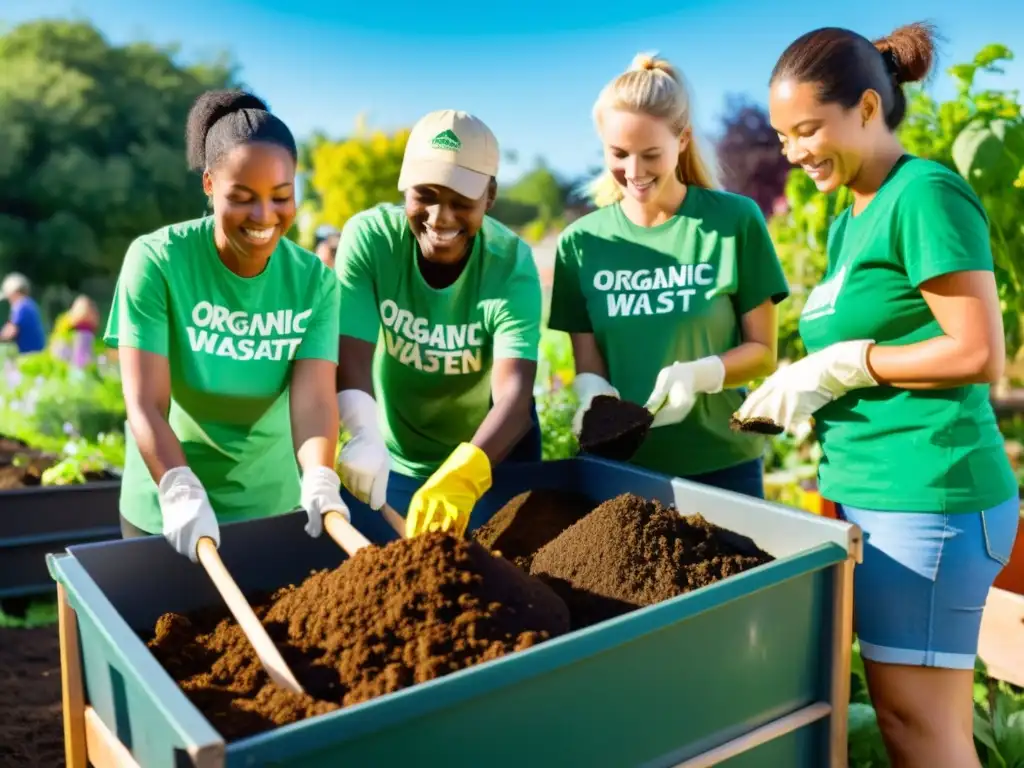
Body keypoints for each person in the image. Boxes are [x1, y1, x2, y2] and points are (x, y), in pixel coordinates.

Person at [735, 23, 1018, 767]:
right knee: (903, 724)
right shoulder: (848, 214)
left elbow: (978, 351)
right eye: (783, 136)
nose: (794, 151)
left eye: (808, 130)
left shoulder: (923, 194)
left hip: (929, 495)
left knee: (923, 734)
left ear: (866, 107)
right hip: (872, 494)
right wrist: (803, 383)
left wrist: (849, 365)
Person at [104, 89, 349, 561]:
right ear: (209, 184)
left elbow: (315, 401)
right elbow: (145, 401)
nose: (264, 217)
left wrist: (320, 476)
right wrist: (177, 489)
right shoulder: (158, 261)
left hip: (270, 509)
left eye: (281, 197)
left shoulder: (314, 282)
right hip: (166, 506)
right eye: (242, 198)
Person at [548, 53, 789, 499]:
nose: (634, 172)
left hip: (724, 466)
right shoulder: (581, 244)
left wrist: (700, 374)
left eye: (651, 154)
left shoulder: (734, 222)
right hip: (622, 474)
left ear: (683, 140)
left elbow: (762, 353)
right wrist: (592, 394)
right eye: (618, 154)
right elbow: (589, 361)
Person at [333, 109, 543, 539]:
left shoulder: (510, 264)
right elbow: (348, 351)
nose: (440, 217)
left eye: (461, 201)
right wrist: (360, 431)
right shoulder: (372, 241)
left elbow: (515, 395)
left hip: (490, 456)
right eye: (424, 194)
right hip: (394, 456)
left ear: (490, 195)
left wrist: (465, 477)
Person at [1, 273, 46, 354]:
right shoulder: (30, 304)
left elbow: (10, 332)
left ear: (14, 292)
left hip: (29, 355)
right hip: (38, 353)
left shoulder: (20, 306)